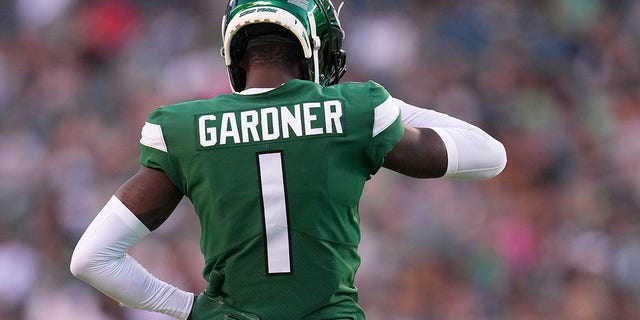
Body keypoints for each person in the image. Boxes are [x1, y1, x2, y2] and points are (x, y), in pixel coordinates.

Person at [70, 1, 507, 319]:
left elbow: (91, 258)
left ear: (234, 52)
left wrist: (187, 310)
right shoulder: (356, 111)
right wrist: (385, 107)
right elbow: (490, 155)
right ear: (313, 48)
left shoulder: (185, 127)